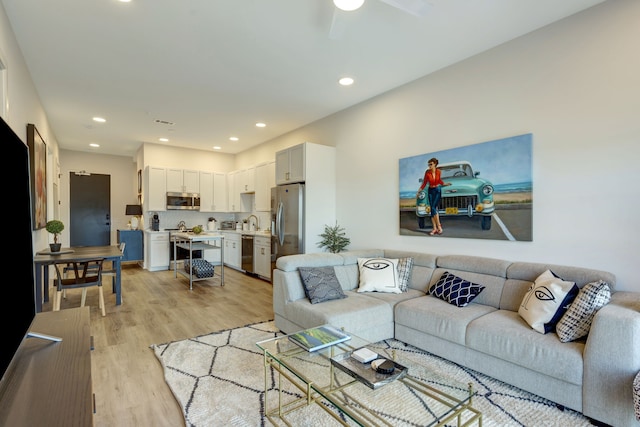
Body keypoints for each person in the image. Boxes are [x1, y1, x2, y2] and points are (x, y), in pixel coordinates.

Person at [417, 157, 451, 235]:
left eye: (431, 164)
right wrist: (419, 191)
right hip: (430, 191)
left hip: (437, 190)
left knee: (433, 208)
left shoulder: (438, 171)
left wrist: (445, 184)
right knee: (433, 209)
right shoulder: (427, 172)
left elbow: (439, 180)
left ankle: (439, 226)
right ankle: (435, 228)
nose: (429, 166)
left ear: (435, 164)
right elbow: (425, 183)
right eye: (429, 164)